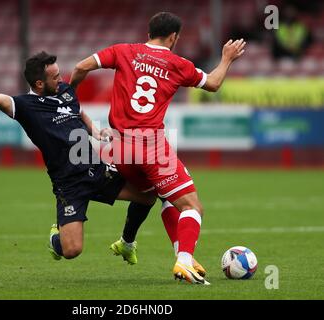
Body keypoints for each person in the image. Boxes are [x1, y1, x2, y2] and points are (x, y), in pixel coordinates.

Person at [70, 12, 246, 285]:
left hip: (120, 149)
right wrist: (227, 59)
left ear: (148, 31)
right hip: (151, 147)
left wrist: (71, 96)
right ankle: (184, 261)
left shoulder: (123, 51)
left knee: (161, 195)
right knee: (193, 207)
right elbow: (213, 83)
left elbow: (80, 67)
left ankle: (174, 252)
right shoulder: (178, 64)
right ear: (174, 37)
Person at [0, 51, 156, 261]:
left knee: (149, 195)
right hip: (68, 184)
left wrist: (94, 131)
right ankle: (55, 239)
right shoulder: (25, 107)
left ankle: (127, 243)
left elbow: (78, 112)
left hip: (97, 170)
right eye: (55, 76)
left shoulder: (65, 91)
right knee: (72, 251)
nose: (61, 79)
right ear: (39, 83)